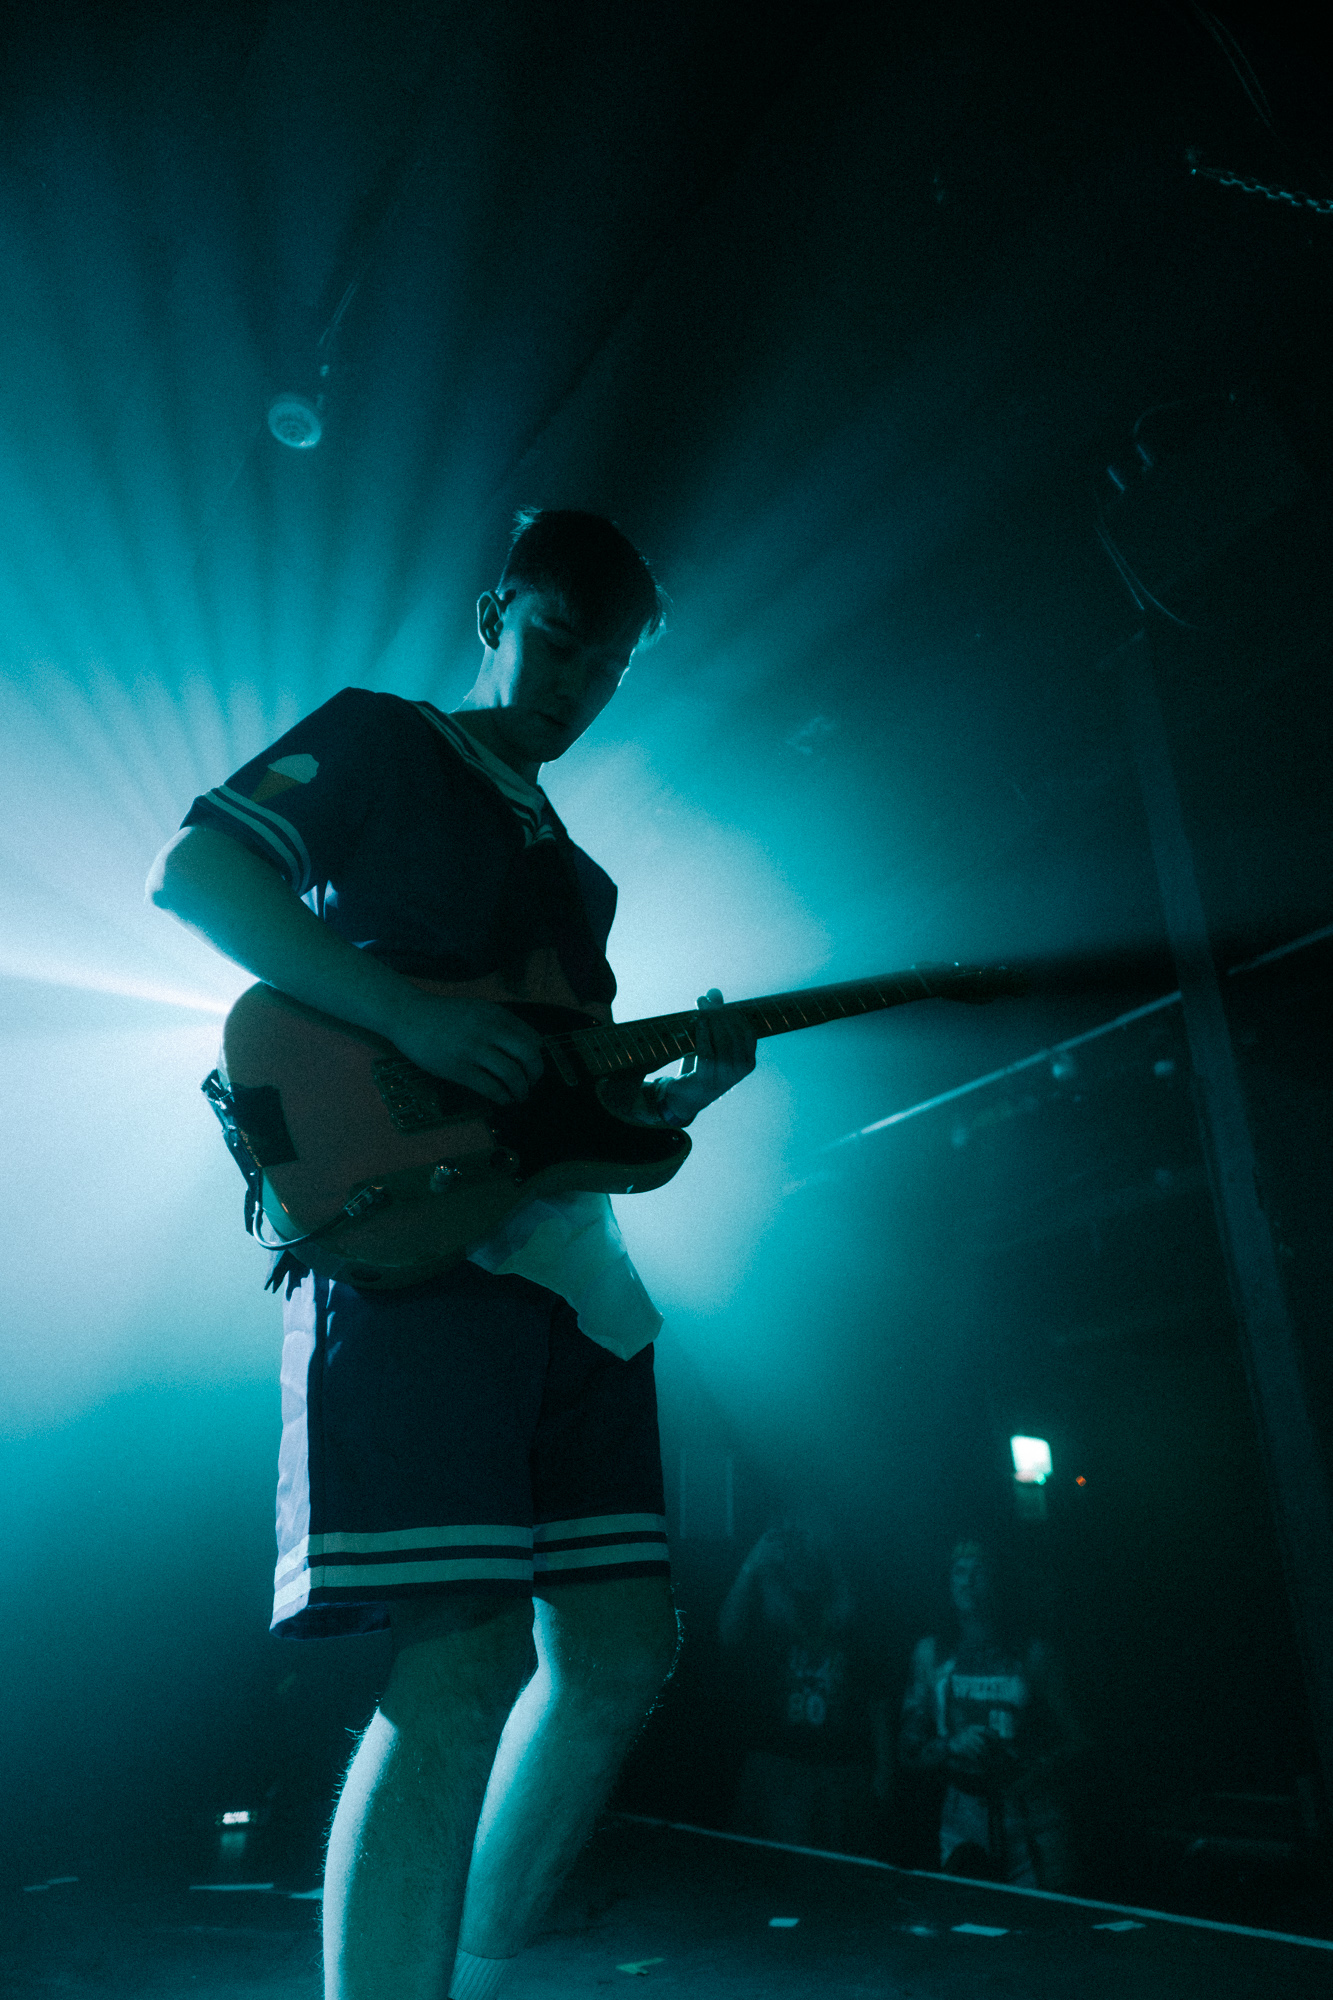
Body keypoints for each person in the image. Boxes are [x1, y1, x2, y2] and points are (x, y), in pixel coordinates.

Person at [147, 509, 758, 2000]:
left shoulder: (585, 882)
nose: (574, 686)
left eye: (605, 667)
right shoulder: (383, 737)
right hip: (415, 1249)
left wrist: (671, 1105)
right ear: (496, 613)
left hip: (578, 1282)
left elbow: (564, 1112)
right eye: (556, 641)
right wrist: (411, 1017)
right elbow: (200, 874)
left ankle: (465, 1973)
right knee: (463, 1660)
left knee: (620, 1654)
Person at [898, 1541, 1082, 1889]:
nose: (968, 1581)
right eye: (959, 1572)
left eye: (979, 1571)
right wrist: (950, 1745)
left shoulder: (1033, 1654)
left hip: (1031, 1817)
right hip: (961, 1814)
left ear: (998, 1580)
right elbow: (907, 1751)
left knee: (1038, 1916)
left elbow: (1081, 1740)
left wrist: (1031, 1767)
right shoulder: (931, 1654)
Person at [717, 1508, 878, 1854]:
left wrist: (882, 1771)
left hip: (837, 1767)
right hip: (776, 1761)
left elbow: (875, 1690)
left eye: (806, 1532)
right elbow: (727, 1634)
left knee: (835, 1871)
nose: (798, 1542)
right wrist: (752, 1565)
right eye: (789, 1533)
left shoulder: (844, 1598)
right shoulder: (764, 1595)